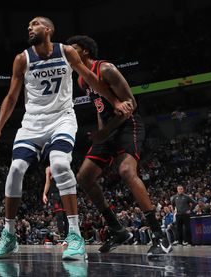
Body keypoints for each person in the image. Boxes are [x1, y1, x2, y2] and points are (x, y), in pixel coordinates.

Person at [0, 16, 133, 261]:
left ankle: (75, 236)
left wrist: (115, 101)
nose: (30, 27)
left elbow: (90, 78)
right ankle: (9, 235)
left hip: (62, 119)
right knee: (15, 169)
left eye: (34, 24)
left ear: (48, 29)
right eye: (28, 25)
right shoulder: (22, 59)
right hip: (32, 123)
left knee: (60, 165)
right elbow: (12, 97)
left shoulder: (66, 52)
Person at [67, 35, 172, 257]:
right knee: (84, 178)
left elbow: (131, 104)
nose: (69, 53)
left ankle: (159, 235)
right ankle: (118, 230)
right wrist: (101, 132)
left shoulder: (106, 69)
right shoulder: (81, 80)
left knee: (126, 171)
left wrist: (106, 130)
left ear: (84, 51)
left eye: (73, 49)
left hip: (128, 125)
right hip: (108, 130)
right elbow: (99, 107)